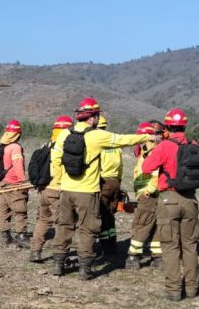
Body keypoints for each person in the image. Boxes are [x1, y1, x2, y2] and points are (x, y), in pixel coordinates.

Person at [49, 98, 150, 279]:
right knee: (87, 229)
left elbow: (55, 160)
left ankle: (58, 264)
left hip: (66, 189)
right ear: (93, 117)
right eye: (98, 115)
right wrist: (147, 136)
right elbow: (123, 140)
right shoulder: (97, 136)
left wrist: (61, 180)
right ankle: (85, 269)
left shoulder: (64, 134)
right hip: (87, 191)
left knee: (64, 225)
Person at [141, 108, 199, 301]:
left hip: (169, 199)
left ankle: (174, 290)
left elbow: (145, 168)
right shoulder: (194, 144)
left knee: (170, 246)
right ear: (184, 125)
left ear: (167, 126)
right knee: (190, 246)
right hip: (191, 199)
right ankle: (192, 289)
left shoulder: (165, 146)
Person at [28, 115, 73, 262]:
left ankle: (35, 251)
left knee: (43, 220)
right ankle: (60, 255)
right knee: (62, 223)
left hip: (43, 190)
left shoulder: (45, 145)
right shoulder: (65, 147)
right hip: (57, 190)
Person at [127, 121, 163, 268]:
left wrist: (148, 191)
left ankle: (133, 256)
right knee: (155, 225)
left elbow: (156, 175)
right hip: (150, 194)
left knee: (141, 225)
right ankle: (157, 257)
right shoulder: (146, 150)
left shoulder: (153, 152)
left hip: (149, 196)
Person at [0, 119, 30, 248]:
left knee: (4, 211)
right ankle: (21, 236)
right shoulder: (15, 147)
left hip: (3, 183)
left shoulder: (3, 146)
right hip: (14, 184)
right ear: (18, 134)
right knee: (20, 211)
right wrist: (23, 181)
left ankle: (6, 235)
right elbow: (17, 165)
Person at [96, 115, 123, 261]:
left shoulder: (98, 143)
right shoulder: (115, 143)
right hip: (115, 182)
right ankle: (112, 245)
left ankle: (105, 248)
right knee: (110, 214)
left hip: (103, 182)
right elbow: (121, 167)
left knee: (101, 214)